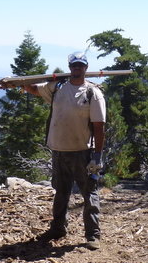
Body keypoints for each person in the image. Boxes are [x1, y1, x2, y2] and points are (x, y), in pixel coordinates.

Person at [23, 51, 107, 249]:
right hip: (59, 151)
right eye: (74, 65)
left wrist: (97, 157)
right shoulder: (58, 87)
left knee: (89, 193)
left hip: (83, 153)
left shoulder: (93, 93)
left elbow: (99, 127)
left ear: (86, 68)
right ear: (69, 67)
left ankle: (92, 235)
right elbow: (35, 89)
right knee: (61, 192)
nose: (77, 68)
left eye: (80, 65)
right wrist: (17, 85)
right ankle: (58, 228)